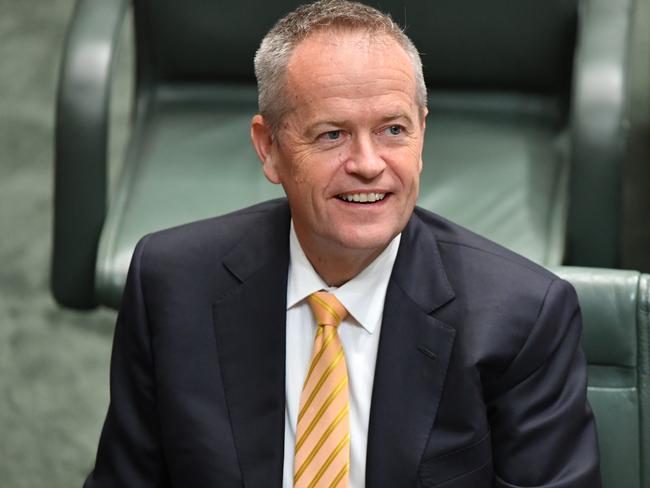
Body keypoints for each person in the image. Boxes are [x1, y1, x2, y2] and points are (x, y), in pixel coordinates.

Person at [84, 1, 601, 487]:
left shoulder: (522, 317)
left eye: (393, 130)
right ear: (269, 149)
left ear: (422, 134)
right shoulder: (171, 285)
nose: (369, 163)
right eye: (332, 135)